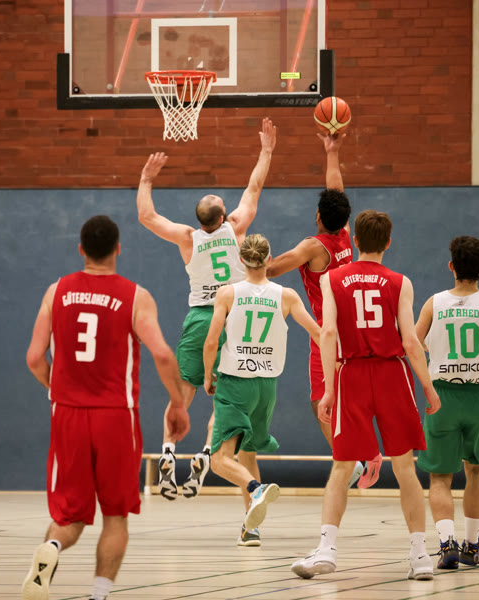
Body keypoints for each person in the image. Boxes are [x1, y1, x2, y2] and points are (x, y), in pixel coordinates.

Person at [22, 215, 190, 600]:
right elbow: (163, 354)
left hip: (67, 413)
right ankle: (99, 595)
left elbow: (34, 358)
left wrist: (59, 388)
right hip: (116, 416)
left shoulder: (55, 292)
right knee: (115, 515)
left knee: (70, 516)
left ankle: (52, 547)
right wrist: (178, 403)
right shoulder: (135, 296)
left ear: (81, 249)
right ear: (118, 248)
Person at [291, 210, 441, 581]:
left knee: (342, 467)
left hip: (352, 374)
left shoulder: (332, 279)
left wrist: (328, 388)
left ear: (355, 241)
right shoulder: (400, 282)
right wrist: (427, 386)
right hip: (392, 374)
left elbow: (327, 334)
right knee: (405, 467)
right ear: (388, 242)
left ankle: (327, 550)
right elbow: (410, 341)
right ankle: (420, 555)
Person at [137, 117, 276, 501]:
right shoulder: (237, 227)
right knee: (224, 394)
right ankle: (205, 452)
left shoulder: (187, 238)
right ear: (222, 217)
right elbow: (254, 187)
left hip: (200, 315)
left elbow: (147, 217)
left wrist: (147, 179)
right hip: (234, 316)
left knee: (183, 392)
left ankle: (168, 451)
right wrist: (266, 150)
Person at [265, 132, 373, 489]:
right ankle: (359, 454)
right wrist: (332, 152)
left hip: (327, 332)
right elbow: (336, 189)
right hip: (353, 326)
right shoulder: (344, 234)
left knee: (319, 402)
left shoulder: (313, 247)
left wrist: (245, 253)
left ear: (317, 216)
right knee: (346, 396)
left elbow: (271, 269)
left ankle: (350, 460)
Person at [203, 234, 321, 546]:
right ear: (269, 260)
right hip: (267, 387)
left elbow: (212, 341)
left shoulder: (228, 293)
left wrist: (207, 375)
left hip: (235, 382)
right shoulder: (287, 296)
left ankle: (256, 488)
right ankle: (250, 529)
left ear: (241, 260)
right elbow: (319, 333)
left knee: (218, 460)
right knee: (248, 452)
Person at [414, 236, 479, 569]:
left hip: (441, 395)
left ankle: (446, 545)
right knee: (476, 468)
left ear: (451, 266)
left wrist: (437, 354)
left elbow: (413, 342)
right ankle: (472, 545)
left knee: (440, 476)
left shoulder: (434, 303)